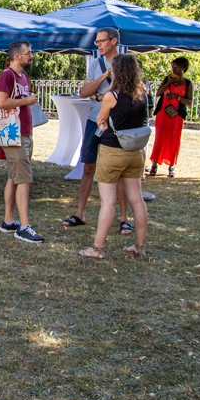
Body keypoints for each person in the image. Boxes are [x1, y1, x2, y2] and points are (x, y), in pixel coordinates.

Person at [62, 27, 133, 234]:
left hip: (118, 123)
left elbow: (129, 92)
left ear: (114, 41)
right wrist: (104, 77)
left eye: (101, 41)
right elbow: (85, 92)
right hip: (95, 121)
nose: (98, 45)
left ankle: (124, 219)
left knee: (118, 172)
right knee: (88, 168)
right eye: (97, 42)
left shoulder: (128, 64)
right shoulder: (95, 64)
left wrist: (99, 96)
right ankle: (80, 213)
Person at [80, 54, 149, 259]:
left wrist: (104, 123)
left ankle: (97, 248)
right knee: (137, 199)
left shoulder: (113, 96)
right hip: (134, 152)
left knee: (108, 202)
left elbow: (101, 120)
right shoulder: (143, 94)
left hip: (112, 151)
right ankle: (140, 245)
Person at [0, 41, 44, 244]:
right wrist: (27, 101)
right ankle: (24, 227)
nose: (31, 56)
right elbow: (2, 102)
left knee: (14, 177)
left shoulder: (23, 77)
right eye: (28, 53)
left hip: (23, 133)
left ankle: (8, 221)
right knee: (24, 179)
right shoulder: (7, 75)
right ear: (17, 56)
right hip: (14, 134)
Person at [149, 57, 193, 178]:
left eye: (177, 66)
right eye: (172, 66)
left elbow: (189, 101)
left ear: (184, 68)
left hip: (177, 114)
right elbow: (158, 93)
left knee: (174, 138)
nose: (174, 68)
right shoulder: (167, 79)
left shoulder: (188, 83)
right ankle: (154, 164)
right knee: (160, 137)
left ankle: (171, 165)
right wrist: (168, 82)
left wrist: (176, 96)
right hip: (163, 112)